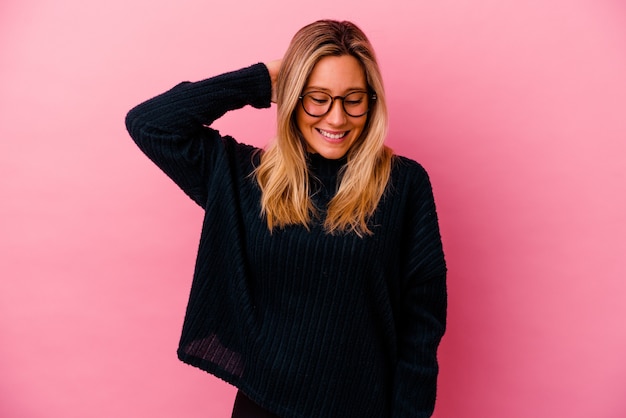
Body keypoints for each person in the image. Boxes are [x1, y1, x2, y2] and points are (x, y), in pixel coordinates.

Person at [126, 19, 447, 418]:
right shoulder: (247, 178)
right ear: (292, 97)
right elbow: (150, 123)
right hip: (263, 405)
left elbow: (421, 323)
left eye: (353, 99)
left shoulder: (404, 184)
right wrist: (260, 80)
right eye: (317, 98)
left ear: (372, 101)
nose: (336, 118)